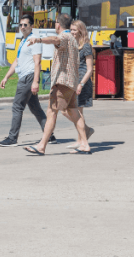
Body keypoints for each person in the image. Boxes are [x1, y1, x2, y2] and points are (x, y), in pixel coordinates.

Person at [23, 13, 92, 155]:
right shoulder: (73, 39)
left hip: (62, 82)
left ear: (58, 24)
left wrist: (38, 39)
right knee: (74, 112)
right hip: (71, 82)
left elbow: (55, 39)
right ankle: (84, 143)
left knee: (51, 112)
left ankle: (42, 145)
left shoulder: (65, 36)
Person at [0, 15, 54, 147]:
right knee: (35, 109)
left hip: (28, 77)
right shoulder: (23, 41)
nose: (22, 27)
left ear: (31, 26)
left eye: (25, 25)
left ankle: (12, 138)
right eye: (21, 25)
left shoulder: (34, 41)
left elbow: (37, 62)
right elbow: (16, 61)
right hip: (24, 76)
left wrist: (36, 81)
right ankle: (49, 135)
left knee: (17, 106)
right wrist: (6, 77)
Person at [66, 20, 96, 148]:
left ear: (80, 31)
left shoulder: (86, 46)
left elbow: (90, 69)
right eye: (71, 30)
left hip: (82, 82)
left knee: (77, 111)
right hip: (73, 81)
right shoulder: (74, 44)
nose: (72, 32)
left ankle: (82, 140)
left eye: (74, 30)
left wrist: (81, 84)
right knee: (72, 111)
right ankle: (85, 132)